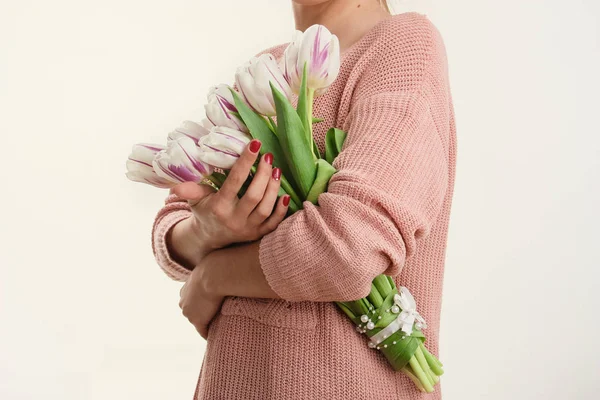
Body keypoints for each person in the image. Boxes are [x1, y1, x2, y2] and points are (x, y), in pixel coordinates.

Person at [151, 0, 457, 398]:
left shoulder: (402, 47)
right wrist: (204, 230)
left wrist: (213, 277)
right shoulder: (268, 69)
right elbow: (174, 220)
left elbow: (350, 248)